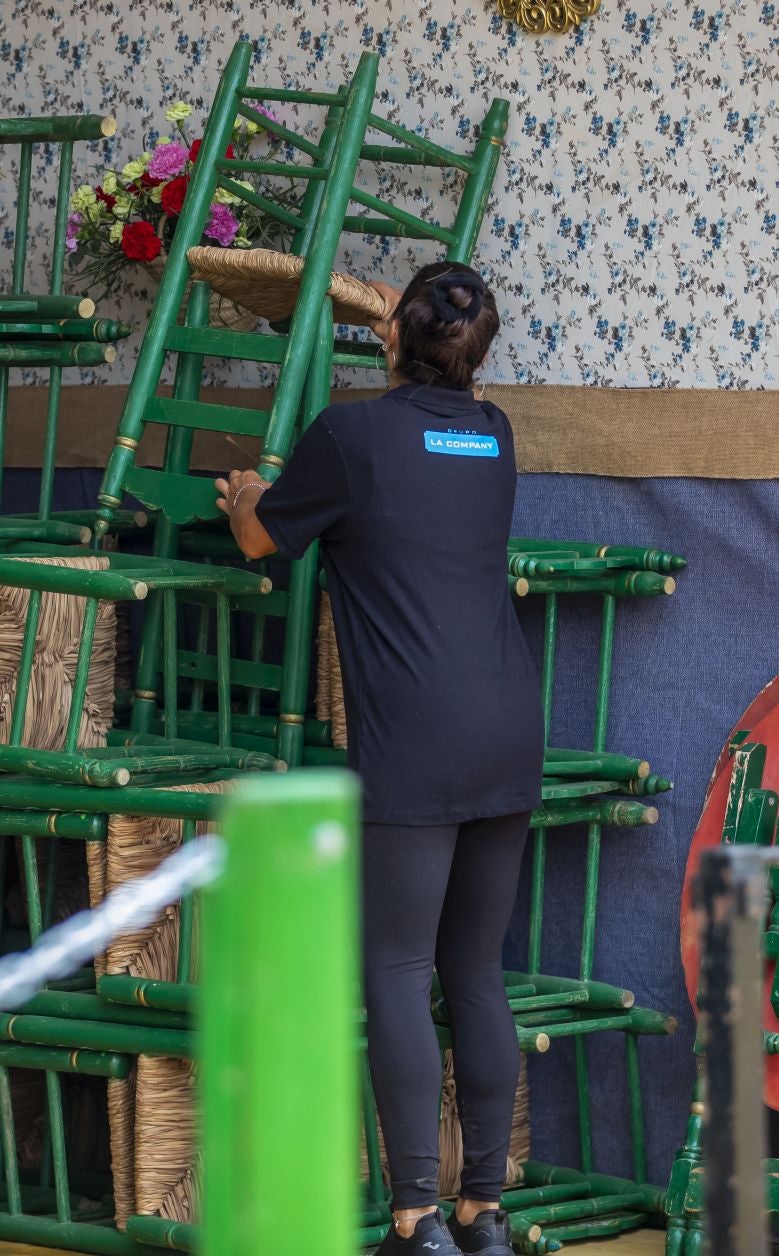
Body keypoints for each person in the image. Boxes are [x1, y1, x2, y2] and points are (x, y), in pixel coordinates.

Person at [215, 261, 542, 1256]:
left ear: (392, 336)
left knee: (397, 970)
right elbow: (448, 396)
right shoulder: (490, 436)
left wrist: (245, 493)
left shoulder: (350, 437)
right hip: (508, 727)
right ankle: (484, 1214)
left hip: (414, 736)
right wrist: (402, 324)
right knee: (474, 970)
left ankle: (415, 1220)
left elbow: (262, 540)